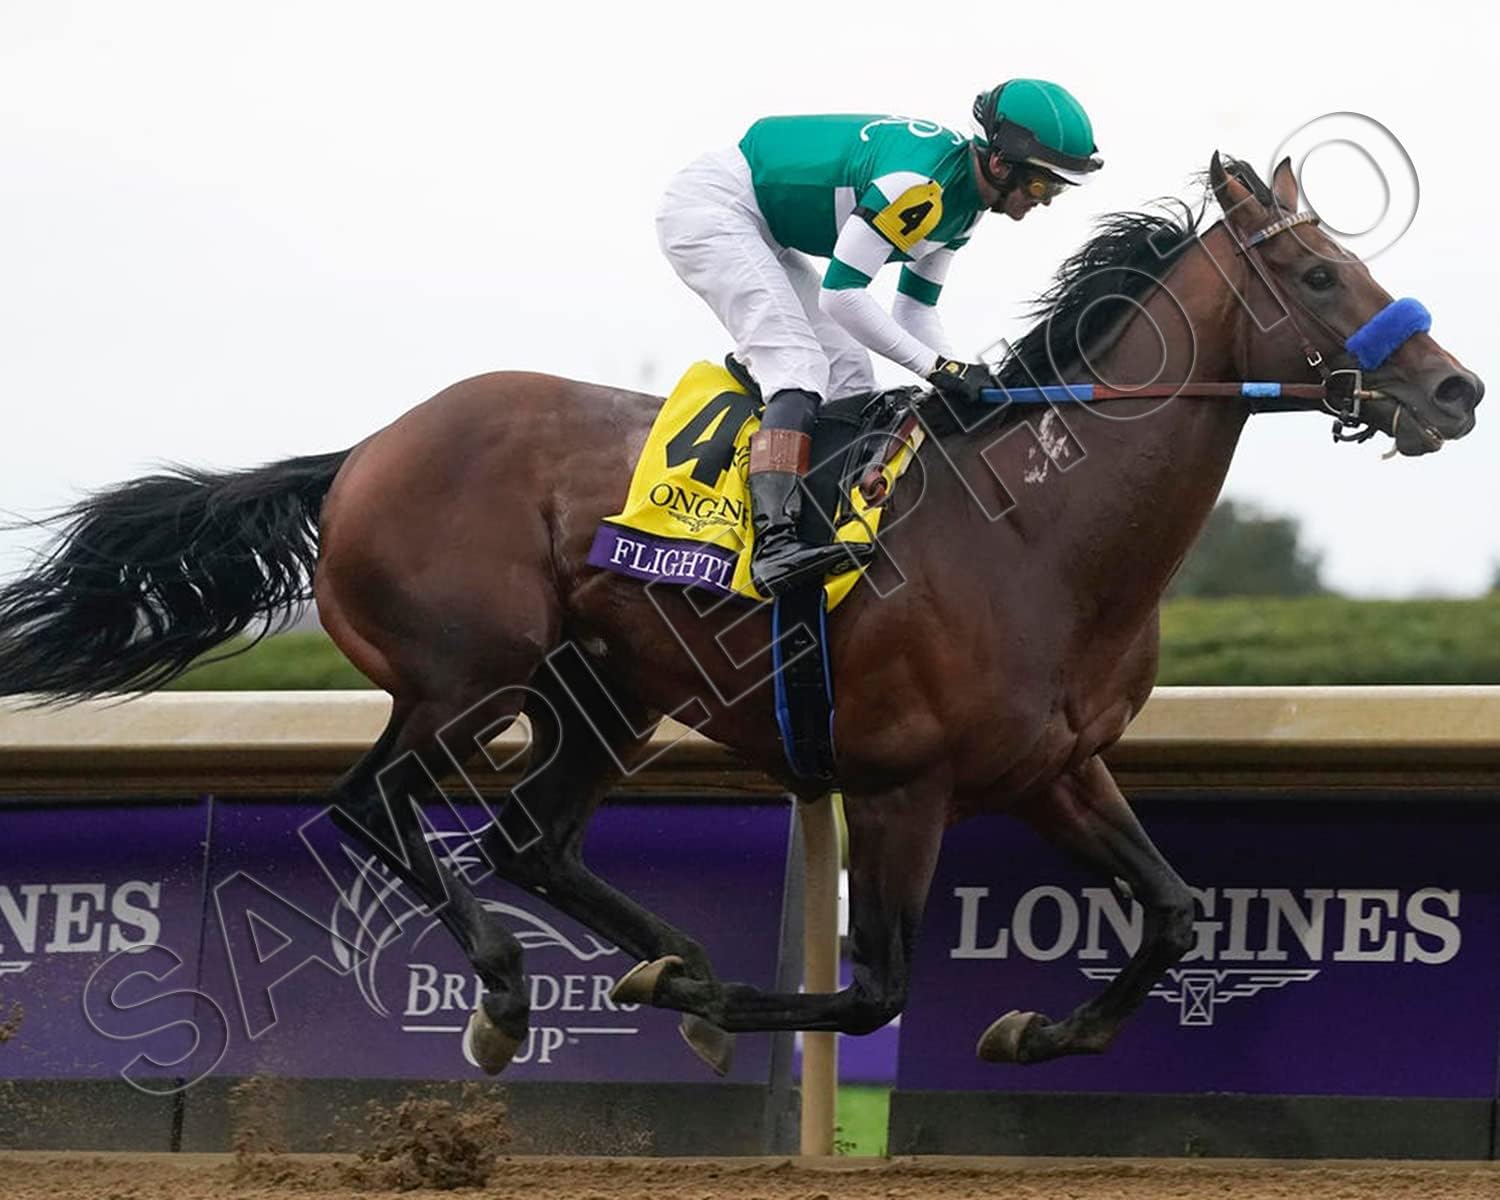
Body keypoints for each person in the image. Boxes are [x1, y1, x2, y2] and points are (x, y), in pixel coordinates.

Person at [656, 79, 1103, 596]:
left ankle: (815, 520)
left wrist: (960, 376)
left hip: (763, 225)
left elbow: (914, 309)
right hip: (715, 210)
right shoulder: (919, 187)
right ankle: (773, 544)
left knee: (850, 375)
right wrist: (939, 369)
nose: (1045, 202)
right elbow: (841, 295)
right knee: (800, 365)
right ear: (1001, 165)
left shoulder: (965, 206)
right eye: (1043, 187)